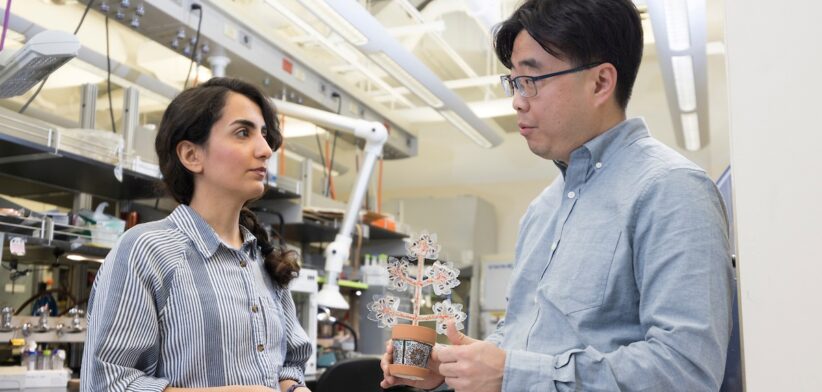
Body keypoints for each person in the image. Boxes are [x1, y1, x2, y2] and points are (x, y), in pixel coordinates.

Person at [381, 0, 734, 391]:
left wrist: (511, 373)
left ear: (600, 82)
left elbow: (685, 370)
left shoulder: (672, 190)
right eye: (513, 81)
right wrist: (452, 368)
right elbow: (519, 337)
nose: (517, 99)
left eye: (531, 79)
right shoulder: (543, 210)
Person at [81, 78, 312, 392]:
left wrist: (293, 387)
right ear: (192, 155)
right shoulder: (146, 251)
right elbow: (106, 383)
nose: (265, 149)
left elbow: (289, 364)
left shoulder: (261, 258)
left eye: (265, 135)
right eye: (243, 132)